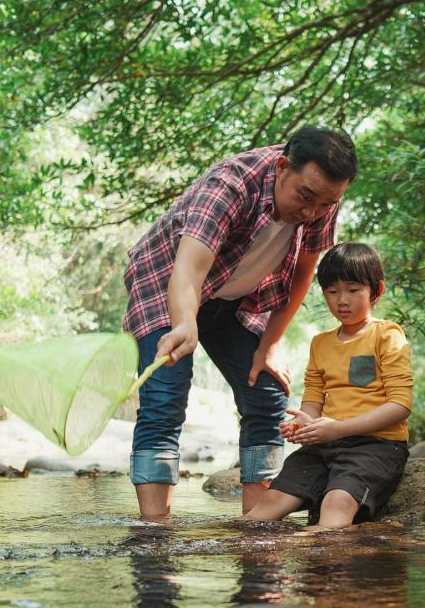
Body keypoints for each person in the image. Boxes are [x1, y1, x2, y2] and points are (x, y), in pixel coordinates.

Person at [122, 126, 358, 521]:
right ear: (283, 167)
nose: (312, 212)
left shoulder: (320, 198)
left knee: (267, 393)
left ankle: (256, 523)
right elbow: (189, 268)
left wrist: (270, 344)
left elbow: (303, 274)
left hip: (237, 296)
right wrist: (184, 324)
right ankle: (154, 530)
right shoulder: (230, 186)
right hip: (166, 284)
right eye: (305, 198)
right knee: (166, 396)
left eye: (326, 204)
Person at [241, 242, 412, 530]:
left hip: (376, 445)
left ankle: (311, 545)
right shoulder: (320, 343)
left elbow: (401, 406)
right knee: (270, 504)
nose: (341, 300)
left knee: (336, 504)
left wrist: (338, 428)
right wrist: (304, 426)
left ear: (376, 291)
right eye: (332, 292)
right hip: (325, 445)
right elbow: (313, 401)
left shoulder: (387, 335)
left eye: (353, 290)